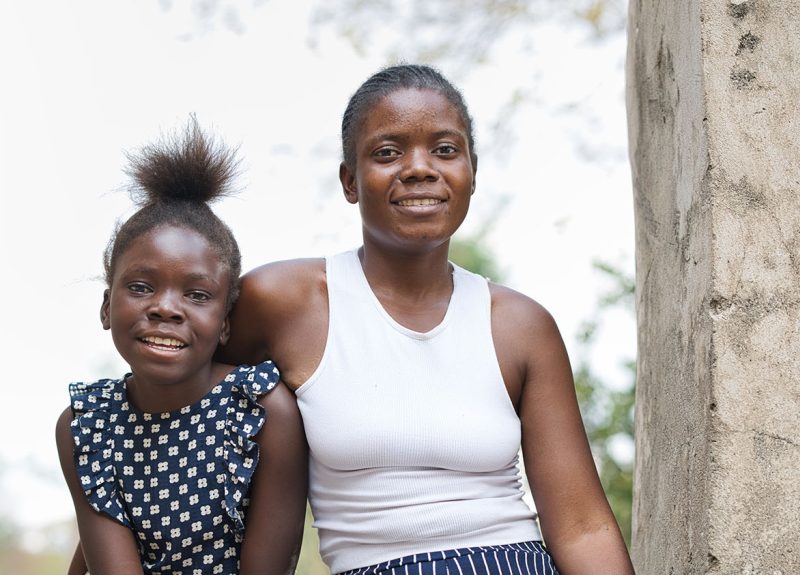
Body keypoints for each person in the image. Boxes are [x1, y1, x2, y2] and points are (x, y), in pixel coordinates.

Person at [219, 64, 634, 574]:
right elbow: (175, 410)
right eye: (388, 152)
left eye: (444, 149)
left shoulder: (520, 326)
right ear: (350, 180)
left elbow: (581, 526)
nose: (419, 168)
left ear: (472, 173)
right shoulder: (281, 303)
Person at [55, 118, 308, 575]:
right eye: (140, 286)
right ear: (106, 307)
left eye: (196, 295)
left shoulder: (261, 411)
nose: (166, 309)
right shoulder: (86, 427)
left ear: (225, 324)